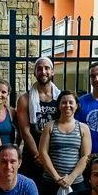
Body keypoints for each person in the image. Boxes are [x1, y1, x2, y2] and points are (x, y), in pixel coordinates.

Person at [38, 90, 91, 195]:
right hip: (51, 182)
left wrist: (71, 178)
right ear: (59, 105)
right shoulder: (50, 126)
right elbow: (43, 153)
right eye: (64, 102)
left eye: (71, 102)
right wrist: (57, 177)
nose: (67, 105)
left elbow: (86, 156)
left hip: (76, 182)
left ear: (76, 105)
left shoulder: (83, 128)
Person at [17, 57, 60, 188]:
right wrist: (38, 156)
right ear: (35, 72)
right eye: (39, 69)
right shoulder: (24, 99)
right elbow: (25, 131)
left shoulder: (61, 98)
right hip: (32, 156)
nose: (43, 72)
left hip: (55, 155)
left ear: (52, 71)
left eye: (47, 68)